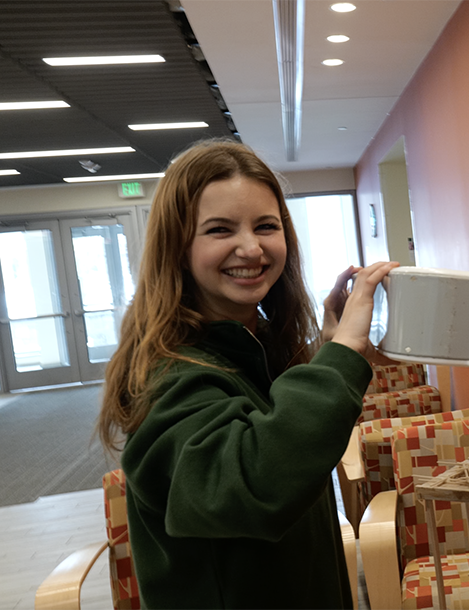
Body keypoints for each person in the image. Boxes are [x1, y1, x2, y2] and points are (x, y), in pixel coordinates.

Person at [97, 140, 398, 609]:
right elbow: (254, 485)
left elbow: (276, 437)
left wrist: (324, 347)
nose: (251, 247)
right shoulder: (169, 372)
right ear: (177, 246)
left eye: (266, 226)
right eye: (220, 229)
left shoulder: (249, 346)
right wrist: (344, 353)